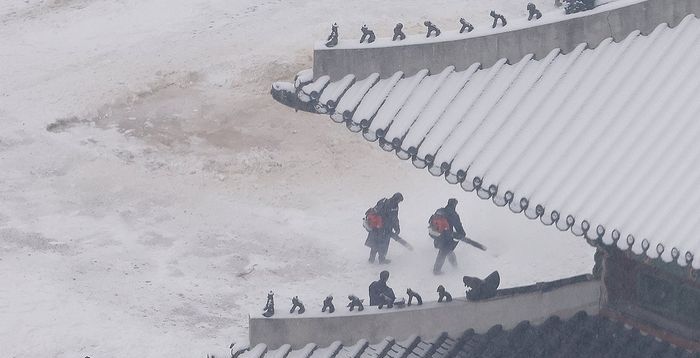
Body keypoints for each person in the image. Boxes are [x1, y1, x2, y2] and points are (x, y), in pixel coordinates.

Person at [429, 198, 466, 274]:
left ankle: (454, 266)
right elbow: (459, 227)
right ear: (455, 205)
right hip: (445, 237)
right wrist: (462, 234)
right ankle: (436, 270)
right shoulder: (453, 214)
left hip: (436, 234)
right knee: (444, 251)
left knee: (448, 250)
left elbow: (431, 221)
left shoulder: (439, 210)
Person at [364, 193, 403, 264]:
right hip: (385, 228)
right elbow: (394, 218)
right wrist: (397, 228)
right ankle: (382, 259)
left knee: (375, 242)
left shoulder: (384, 201)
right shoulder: (393, 206)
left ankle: (371, 259)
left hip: (376, 227)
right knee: (383, 244)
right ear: (397, 200)